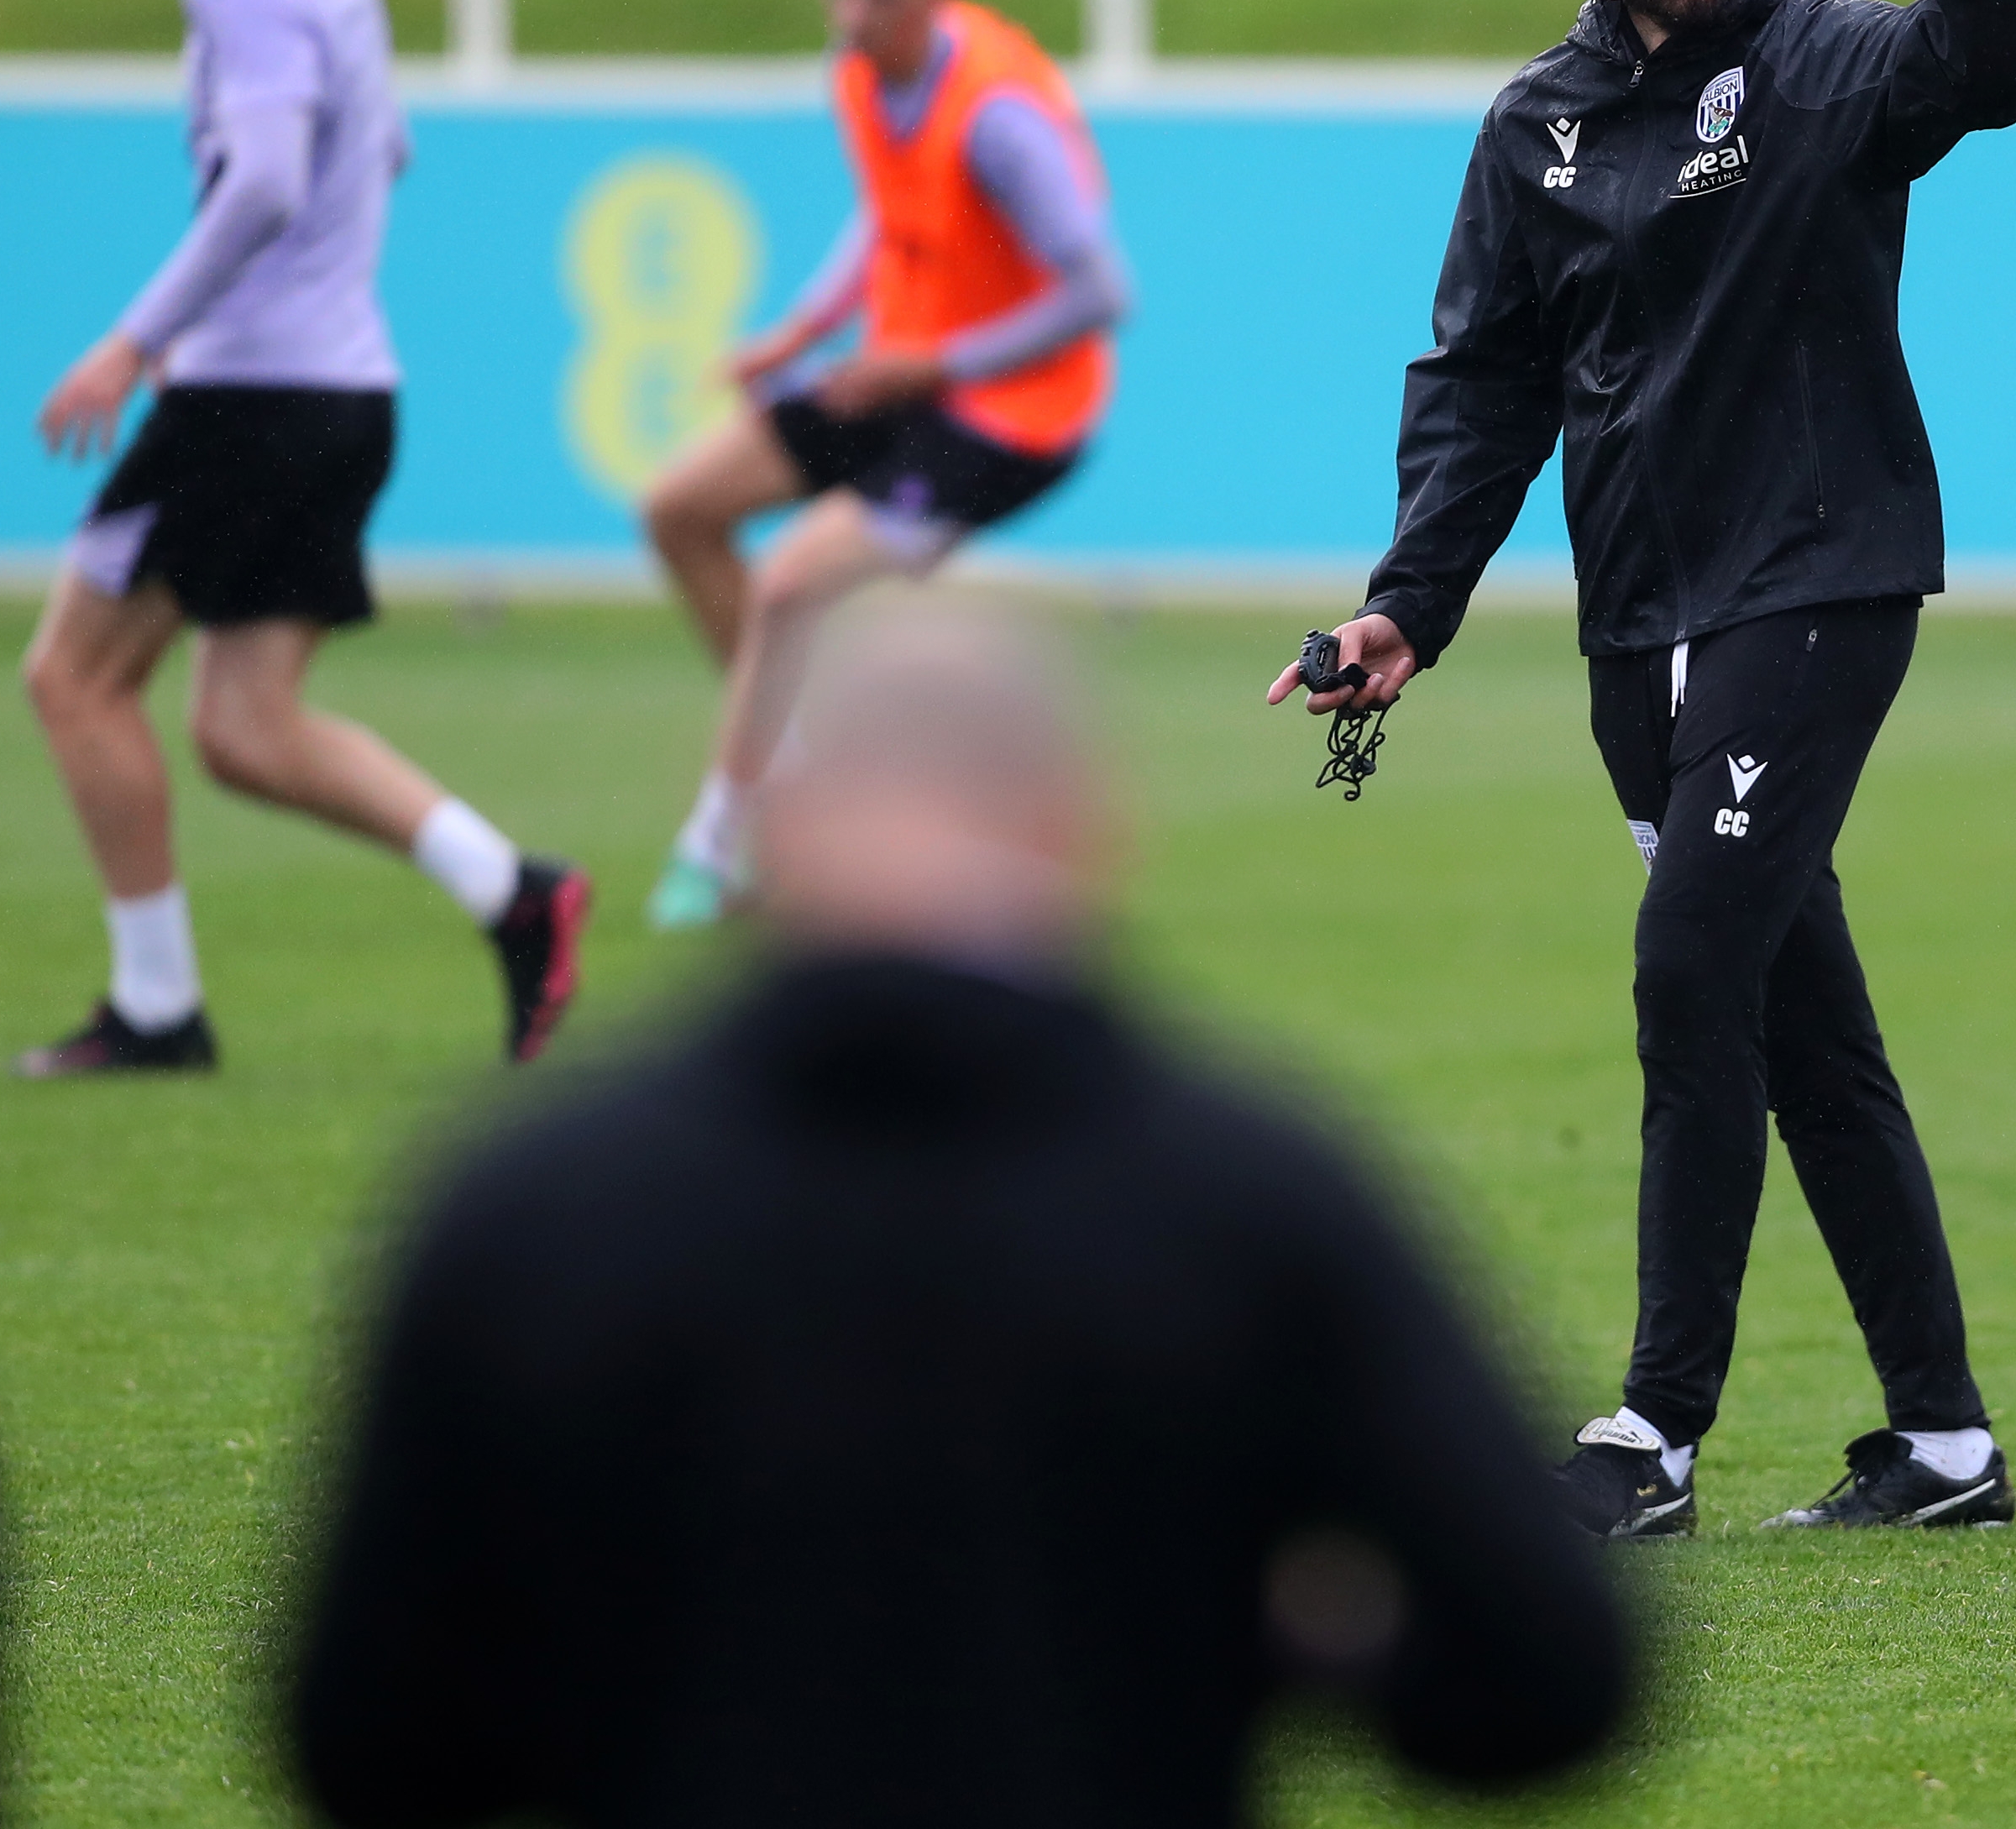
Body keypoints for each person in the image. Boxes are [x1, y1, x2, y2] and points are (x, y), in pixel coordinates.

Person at [291, 594, 1631, 1828]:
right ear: (1087, 830)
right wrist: (1276, 1630)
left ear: (766, 838)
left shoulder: (539, 1205)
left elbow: (368, 1739)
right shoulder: (1249, 1200)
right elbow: (1549, 1681)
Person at [1272, 0, 2016, 1538]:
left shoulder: (1818, 56)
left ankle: (1650, 1434)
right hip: (1639, 627)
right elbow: (1482, 387)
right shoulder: (1533, 131)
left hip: (1816, 581)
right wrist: (1404, 607)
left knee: (1690, 966)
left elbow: (1993, 59)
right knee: (1798, 1023)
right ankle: (1941, 1443)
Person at [18, 0, 585, 1077]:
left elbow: (272, 176)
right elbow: (379, 145)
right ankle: (514, 890)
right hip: (337, 390)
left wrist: (137, 336)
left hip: (250, 397)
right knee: (245, 727)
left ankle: (157, 1007)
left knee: (72, 679)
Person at [636, 0, 1131, 928]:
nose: (855, 18)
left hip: (1013, 419)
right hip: (901, 372)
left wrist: (931, 366)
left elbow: (1098, 293)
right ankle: (793, 779)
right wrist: (803, 331)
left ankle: (721, 841)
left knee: (786, 586)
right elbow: (888, 211)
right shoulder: (862, 75)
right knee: (680, 508)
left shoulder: (1000, 116)